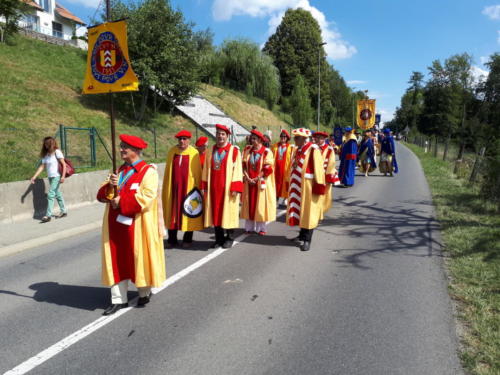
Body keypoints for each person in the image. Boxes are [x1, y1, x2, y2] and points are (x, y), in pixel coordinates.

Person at [96, 134, 166, 315]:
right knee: (117, 259)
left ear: (135, 150)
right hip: (115, 226)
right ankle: (118, 299)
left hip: (138, 226)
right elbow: (101, 195)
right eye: (120, 147)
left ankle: (144, 291)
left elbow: (147, 198)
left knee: (138, 258)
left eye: (124, 147)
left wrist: (122, 201)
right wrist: (110, 187)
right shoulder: (119, 171)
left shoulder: (148, 172)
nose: (120, 150)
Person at [201, 124, 243, 249]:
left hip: (227, 189)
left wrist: (235, 187)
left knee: (229, 212)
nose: (220, 136)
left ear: (227, 136)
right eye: (218, 133)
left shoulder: (234, 151)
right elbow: (206, 170)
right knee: (215, 213)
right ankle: (219, 239)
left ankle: (229, 238)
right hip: (214, 188)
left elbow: (238, 170)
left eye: (223, 134)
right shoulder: (211, 150)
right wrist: (204, 185)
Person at [162, 130, 204, 249]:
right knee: (172, 213)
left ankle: (187, 238)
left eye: (184, 138)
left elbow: (197, 173)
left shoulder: (194, 153)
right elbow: (168, 172)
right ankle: (172, 239)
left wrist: (199, 189)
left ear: (189, 140)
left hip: (188, 190)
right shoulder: (172, 151)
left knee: (189, 212)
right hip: (174, 189)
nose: (182, 141)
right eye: (180, 139)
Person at [286, 128, 326, 251]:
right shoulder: (296, 150)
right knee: (300, 212)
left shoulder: (313, 150)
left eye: (297, 138)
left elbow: (319, 170)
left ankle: (307, 240)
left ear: (303, 139)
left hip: (309, 187)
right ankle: (301, 235)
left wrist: (319, 187)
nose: (295, 140)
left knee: (309, 213)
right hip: (297, 186)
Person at [241, 129, 276, 235]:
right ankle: (249, 227)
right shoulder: (247, 150)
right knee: (249, 205)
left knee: (260, 205)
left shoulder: (266, 152)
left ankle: (261, 228)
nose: (252, 140)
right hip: (249, 182)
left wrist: (256, 179)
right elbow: (243, 165)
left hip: (260, 183)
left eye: (255, 139)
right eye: (252, 138)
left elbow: (268, 168)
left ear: (260, 140)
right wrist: (247, 177)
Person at [30, 136, 67, 223]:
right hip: (50, 177)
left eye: (48, 144)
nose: (46, 146)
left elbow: (64, 164)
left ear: (52, 143)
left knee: (50, 195)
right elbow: (42, 167)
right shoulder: (45, 155)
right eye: (45, 144)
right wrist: (34, 177)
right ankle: (64, 211)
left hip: (57, 176)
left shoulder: (57, 152)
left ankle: (48, 215)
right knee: (57, 194)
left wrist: (63, 176)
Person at [313, 131, 339, 215]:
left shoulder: (329, 150)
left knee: (324, 195)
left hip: (324, 176)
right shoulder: (312, 148)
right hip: (314, 176)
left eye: (320, 138)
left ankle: (320, 211)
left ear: (324, 139)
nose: (317, 139)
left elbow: (331, 164)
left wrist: (329, 178)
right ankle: (315, 212)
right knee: (314, 195)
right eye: (316, 138)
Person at [271, 129, 293, 204]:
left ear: (287, 138)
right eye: (281, 136)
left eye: (284, 136)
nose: (283, 138)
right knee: (275, 182)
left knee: (285, 183)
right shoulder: (275, 146)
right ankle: (276, 197)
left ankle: (285, 198)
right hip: (276, 168)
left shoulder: (290, 147)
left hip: (286, 169)